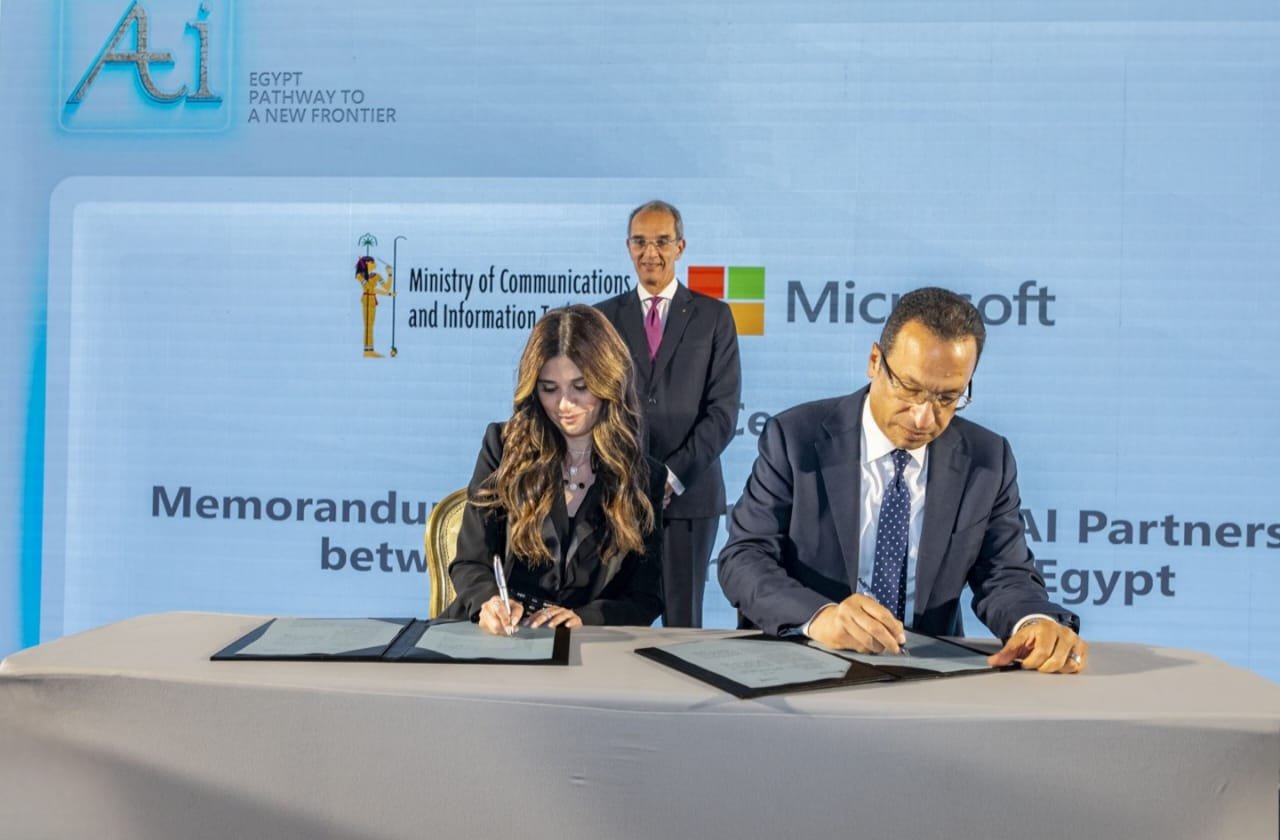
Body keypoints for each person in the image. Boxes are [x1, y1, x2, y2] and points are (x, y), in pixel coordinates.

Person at [718, 287, 1088, 673]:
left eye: (947, 398)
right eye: (910, 389)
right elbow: (743, 558)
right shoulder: (796, 439)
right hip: (807, 661)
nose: (923, 417)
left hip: (927, 673)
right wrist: (820, 616)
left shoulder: (987, 460)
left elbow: (1004, 573)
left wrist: (1034, 623)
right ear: (874, 361)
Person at [442, 304, 666, 634]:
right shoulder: (502, 449)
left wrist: (585, 619)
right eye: (549, 389)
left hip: (585, 646)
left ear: (609, 383)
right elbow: (470, 562)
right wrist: (489, 601)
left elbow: (646, 598)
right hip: (501, 638)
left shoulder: (643, 477)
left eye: (580, 387)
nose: (564, 404)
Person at [596, 200, 741, 628]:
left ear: (680, 246)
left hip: (690, 496)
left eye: (661, 241)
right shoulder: (603, 318)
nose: (650, 252)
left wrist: (670, 476)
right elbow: (596, 405)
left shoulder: (714, 316)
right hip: (619, 496)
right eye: (640, 242)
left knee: (683, 625)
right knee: (615, 622)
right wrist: (631, 475)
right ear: (628, 247)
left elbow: (722, 413)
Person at [355, 255, 394, 357]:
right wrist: (388, 294)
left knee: (371, 325)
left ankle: (370, 350)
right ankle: (367, 351)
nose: (374, 264)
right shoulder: (360, 276)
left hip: (372, 300)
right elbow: (370, 288)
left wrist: (389, 274)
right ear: (366, 264)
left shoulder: (376, 275)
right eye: (372, 262)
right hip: (366, 300)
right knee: (367, 325)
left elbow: (387, 287)